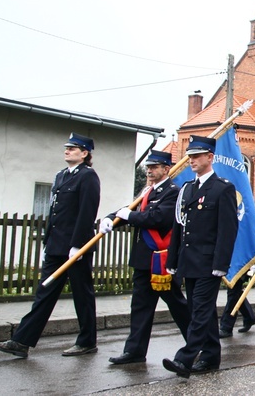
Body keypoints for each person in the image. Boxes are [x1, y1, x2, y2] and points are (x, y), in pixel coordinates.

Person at [0, 133, 100, 358]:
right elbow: (54, 212)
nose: (67, 151)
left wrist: (78, 245)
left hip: (75, 248)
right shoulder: (61, 176)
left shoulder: (88, 177)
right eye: (66, 148)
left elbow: (87, 212)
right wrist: (47, 242)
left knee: (82, 295)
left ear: (84, 153)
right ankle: (21, 341)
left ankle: (87, 341)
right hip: (56, 246)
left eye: (72, 148)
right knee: (44, 293)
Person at [100, 150, 190, 365]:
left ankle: (201, 343)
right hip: (143, 259)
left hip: (160, 259)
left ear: (166, 169)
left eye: (154, 167)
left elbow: (158, 218)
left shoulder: (173, 192)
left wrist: (129, 216)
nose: (149, 170)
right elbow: (129, 210)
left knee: (177, 305)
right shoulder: (146, 191)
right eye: (148, 167)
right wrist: (111, 218)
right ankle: (134, 351)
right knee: (140, 306)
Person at [162, 135, 238, 378]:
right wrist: (172, 260)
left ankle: (185, 359)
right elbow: (179, 227)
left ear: (210, 157)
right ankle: (211, 356)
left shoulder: (223, 188)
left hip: (208, 262)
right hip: (189, 261)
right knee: (198, 309)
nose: (192, 160)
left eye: (196, 156)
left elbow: (228, 230)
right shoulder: (187, 188)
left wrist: (221, 264)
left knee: (200, 312)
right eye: (190, 156)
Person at [219, 272, 255, 338]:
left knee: (233, 293)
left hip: (239, 266)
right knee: (236, 292)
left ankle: (226, 327)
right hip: (236, 266)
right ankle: (249, 318)